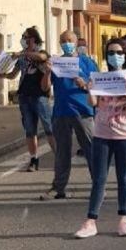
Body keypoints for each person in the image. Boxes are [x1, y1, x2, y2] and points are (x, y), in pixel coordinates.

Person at [74, 40, 126, 239]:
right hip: (102, 133)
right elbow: (93, 103)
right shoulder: (100, 78)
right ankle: (90, 221)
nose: (115, 56)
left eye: (119, 52)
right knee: (99, 178)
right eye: (111, 53)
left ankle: (123, 220)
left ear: (125, 55)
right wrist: (90, 89)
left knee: (124, 178)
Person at [49, 30, 98, 199]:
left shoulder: (87, 62)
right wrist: (46, 71)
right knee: (62, 152)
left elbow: (97, 86)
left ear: (76, 42)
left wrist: (84, 84)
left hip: (83, 111)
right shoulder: (57, 63)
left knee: (91, 149)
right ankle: (59, 187)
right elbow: (45, 87)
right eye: (63, 40)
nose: (66, 43)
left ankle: (98, 186)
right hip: (61, 111)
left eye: (69, 40)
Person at [5, 27, 54, 172]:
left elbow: (41, 58)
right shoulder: (22, 57)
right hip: (24, 96)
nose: (24, 39)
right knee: (29, 130)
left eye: (26, 37)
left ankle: (59, 157)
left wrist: (22, 53)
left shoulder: (41, 52)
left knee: (49, 128)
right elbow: (14, 74)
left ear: (33, 38)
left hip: (40, 96)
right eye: (23, 37)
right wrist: (3, 74)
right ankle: (33, 159)